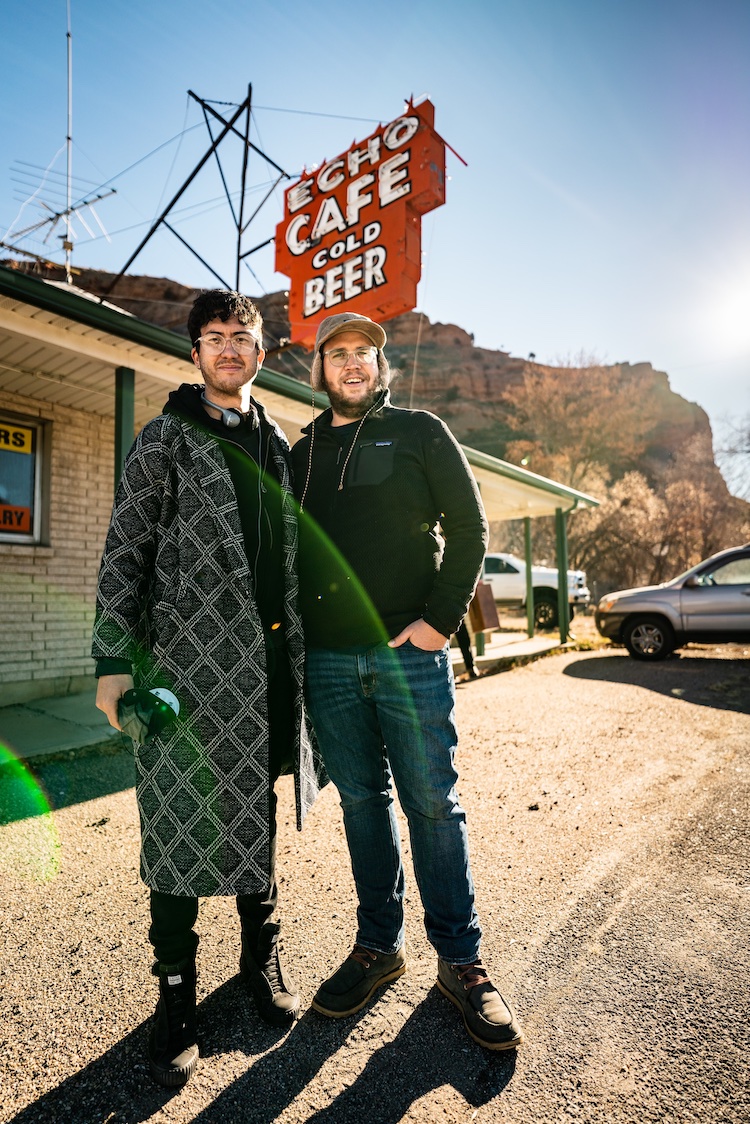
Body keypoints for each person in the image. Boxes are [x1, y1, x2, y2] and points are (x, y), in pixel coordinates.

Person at [92, 290, 326, 1088]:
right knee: (179, 826)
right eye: (214, 338)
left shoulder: (280, 447)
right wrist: (112, 662)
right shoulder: (163, 439)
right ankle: (175, 996)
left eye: (243, 337)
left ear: (261, 353)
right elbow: (125, 551)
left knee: (252, 817)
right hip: (182, 675)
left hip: (266, 673)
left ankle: (261, 962)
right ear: (194, 353)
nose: (229, 349)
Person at [291, 311, 523, 1051]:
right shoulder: (301, 453)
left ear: (380, 366)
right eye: (340, 354)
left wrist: (437, 624)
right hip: (328, 662)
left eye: (366, 353)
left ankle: (462, 964)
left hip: (408, 655)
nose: (354, 364)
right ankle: (377, 948)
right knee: (362, 802)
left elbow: (472, 528)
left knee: (432, 804)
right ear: (320, 368)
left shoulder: (421, 432)